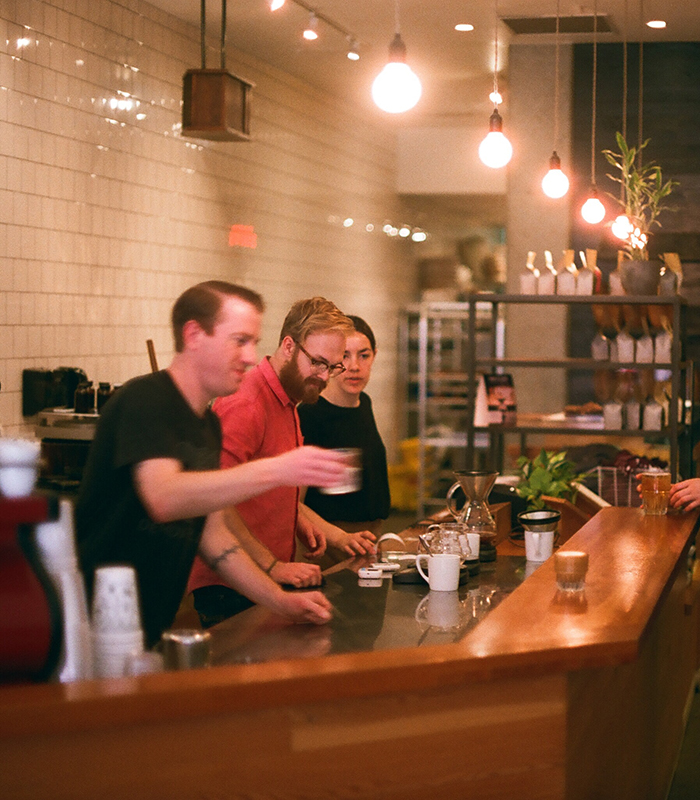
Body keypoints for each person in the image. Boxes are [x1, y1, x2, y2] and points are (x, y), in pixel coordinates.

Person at [76, 281, 348, 647]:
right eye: (239, 340)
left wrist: (279, 600)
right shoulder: (146, 399)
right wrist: (278, 469)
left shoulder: (206, 426)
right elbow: (163, 497)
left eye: (253, 342)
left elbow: (215, 537)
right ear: (194, 335)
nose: (251, 356)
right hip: (93, 618)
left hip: (148, 620)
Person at [188, 298, 377, 628]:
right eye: (318, 363)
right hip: (230, 584)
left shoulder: (290, 399)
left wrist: (305, 520)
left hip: (264, 577)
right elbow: (214, 503)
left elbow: (266, 485)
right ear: (289, 346)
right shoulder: (247, 404)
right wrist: (271, 565)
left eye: (332, 367)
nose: (323, 376)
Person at [298, 315, 390, 535]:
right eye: (344, 356)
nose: (354, 367)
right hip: (328, 539)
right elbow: (294, 503)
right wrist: (338, 539)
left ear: (374, 356)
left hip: (370, 534)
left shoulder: (363, 403)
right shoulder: (310, 414)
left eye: (364, 356)